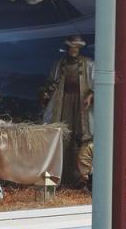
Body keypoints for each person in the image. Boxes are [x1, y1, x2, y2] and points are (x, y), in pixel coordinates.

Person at [40, 35, 94, 188]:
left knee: (81, 135)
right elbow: (51, 82)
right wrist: (45, 93)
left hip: (81, 105)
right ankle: (60, 175)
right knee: (63, 135)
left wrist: (90, 95)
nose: (73, 50)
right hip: (64, 102)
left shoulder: (88, 64)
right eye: (71, 47)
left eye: (76, 48)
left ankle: (82, 176)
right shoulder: (60, 65)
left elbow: (95, 83)